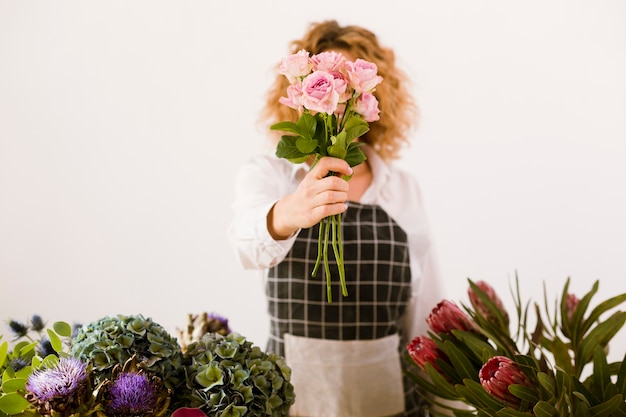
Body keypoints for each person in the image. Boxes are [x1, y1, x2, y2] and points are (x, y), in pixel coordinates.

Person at [228, 20, 445, 417]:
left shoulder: (403, 189)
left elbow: (426, 316)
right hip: (292, 402)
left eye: (349, 85)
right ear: (299, 94)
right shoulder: (269, 174)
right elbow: (244, 243)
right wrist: (289, 212)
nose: (339, 96)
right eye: (329, 83)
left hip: (391, 404)